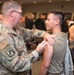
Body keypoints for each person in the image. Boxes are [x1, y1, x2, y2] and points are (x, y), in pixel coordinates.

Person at [0, 0, 55, 75]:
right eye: (20, 13)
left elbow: (31, 32)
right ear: (12, 13)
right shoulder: (2, 35)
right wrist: (37, 52)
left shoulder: (16, 29)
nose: (21, 17)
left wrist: (45, 34)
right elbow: (15, 65)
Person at [40, 10, 69, 75]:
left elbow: (45, 65)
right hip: (61, 71)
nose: (46, 22)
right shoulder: (64, 35)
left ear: (57, 21)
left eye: (48, 19)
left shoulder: (51, 40)